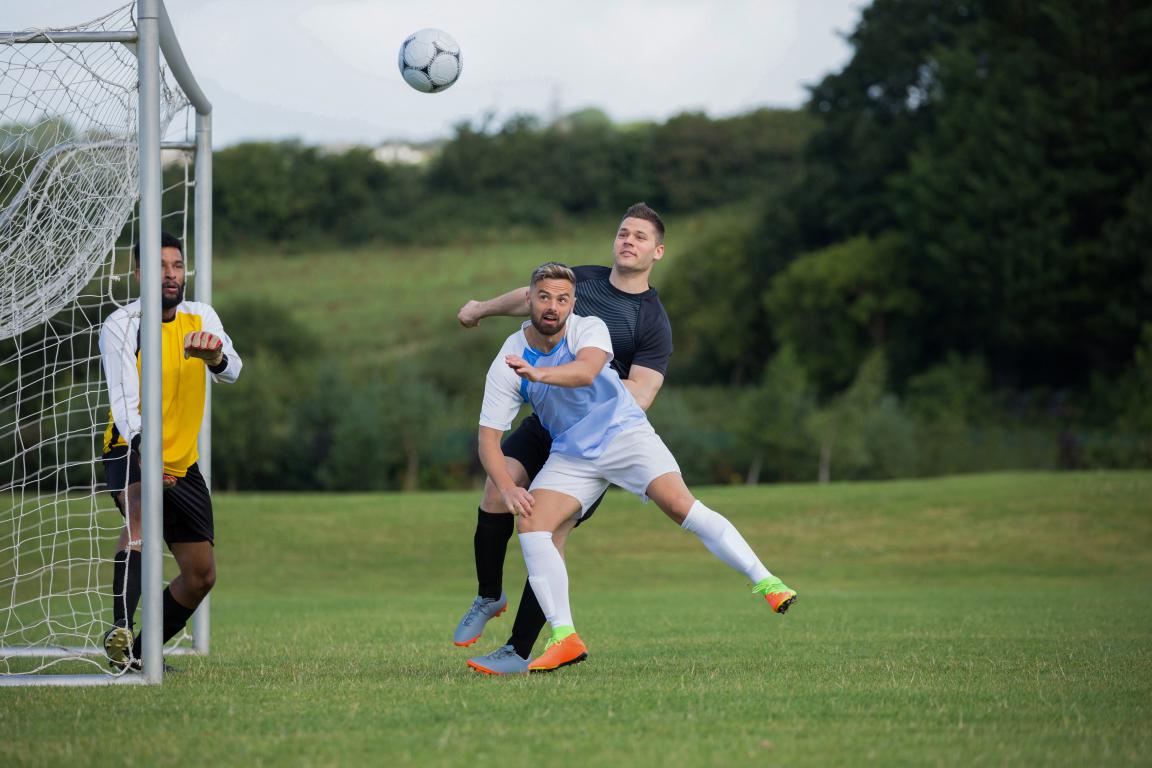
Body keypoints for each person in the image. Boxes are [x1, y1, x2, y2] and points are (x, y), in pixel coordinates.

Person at [476, 262, 797, 673]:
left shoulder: (588, 327)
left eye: (562, 298)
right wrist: (506, 488)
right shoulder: (508, 357)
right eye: (544, 297)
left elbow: (586, 370)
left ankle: (766, 581)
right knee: (533, 525)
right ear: (529, 300)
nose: (553, 306)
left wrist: (541, 373)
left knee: (682, 507)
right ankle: (564, 637)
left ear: (573, 303)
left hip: (624, 434)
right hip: (573, 453)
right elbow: (487, 438)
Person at [455, 203, 674, 674]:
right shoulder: (581, 282)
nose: (628, 241)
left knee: (547, 536)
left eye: (639, 236)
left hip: (592, 442)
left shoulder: (652, 321)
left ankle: (517, 651)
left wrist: (590, 386)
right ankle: (489, 595)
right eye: (623, 232)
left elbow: (644, 392)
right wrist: (482, 309)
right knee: (498, 488)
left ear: (657, 251)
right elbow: (530, 298)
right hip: (545, 423)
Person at [99, 232, 242, 671]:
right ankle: (120, 631)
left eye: (177, 266)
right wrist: (145, 451)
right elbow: (124, 402)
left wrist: (214, 358)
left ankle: (143, 651)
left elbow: (233, 369)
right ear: (139, 272)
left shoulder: (201, 315)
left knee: (201, 576)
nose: (170, 275)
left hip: (183, 461)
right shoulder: (122, 324)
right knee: (140, 512)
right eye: (160, 266)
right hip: (132, 447)